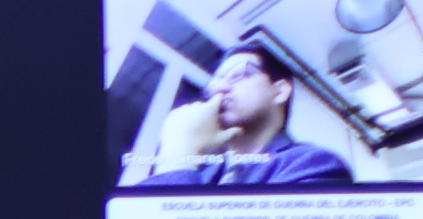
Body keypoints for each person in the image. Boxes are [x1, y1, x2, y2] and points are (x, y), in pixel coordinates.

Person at [131, 42, 355, 188]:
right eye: (215, 82)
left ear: (279, 91)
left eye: (238, 75)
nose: (219, 88)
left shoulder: (312, 165)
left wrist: (178, 154)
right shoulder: (200, 172)